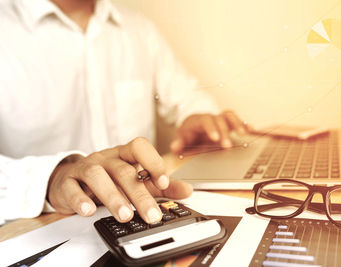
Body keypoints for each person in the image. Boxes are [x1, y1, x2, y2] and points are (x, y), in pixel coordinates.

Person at [0, 0, 249, 225]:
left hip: (146, 215)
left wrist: (198, 118)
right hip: (40, 227)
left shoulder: (139, 29)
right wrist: (50, 179)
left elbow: (188, 97)